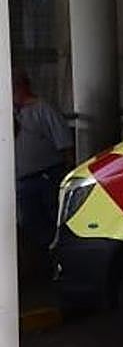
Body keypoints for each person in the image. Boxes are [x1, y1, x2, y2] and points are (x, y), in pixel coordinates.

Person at [13, 68, 74, 250]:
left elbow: (64, 142)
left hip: (47, 175)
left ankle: (57, 255)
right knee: (29, 221)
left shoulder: (43, 109)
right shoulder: (12, 112)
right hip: (23, 178)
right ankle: (41, 257)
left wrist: (67, 169)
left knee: (53, 217)